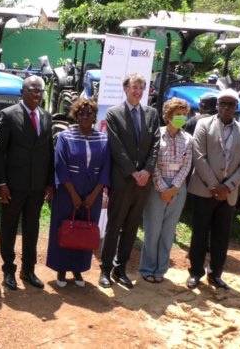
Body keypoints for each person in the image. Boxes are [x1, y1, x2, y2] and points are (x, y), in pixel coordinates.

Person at [186, 88, 240, 290]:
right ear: (217, 105)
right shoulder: (203, 125)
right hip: (204, 189)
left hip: (229, 194)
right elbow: (199, 156)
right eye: (222, 103)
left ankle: (215, 274)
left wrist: (228, 186)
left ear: (236, 108)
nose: (225, 107)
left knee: (221, 236)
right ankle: (196, 272)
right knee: (199, 233)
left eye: (230, 104)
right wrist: (215, 186)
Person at [100, 73, 161, 289]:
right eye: (134, 87)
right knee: (114, 226)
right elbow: (116, 146)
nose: (137, 91)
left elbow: (155, 144)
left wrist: (147, 170)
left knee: (132, 228)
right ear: (125, 88)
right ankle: (105, 269)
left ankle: (120, 269)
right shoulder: (113, 113)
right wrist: (133, 171)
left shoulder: (152, 114)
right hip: (122, 180)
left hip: (143, 183)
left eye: (141, 88)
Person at [0, 75, 54, 290]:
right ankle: (8, 269)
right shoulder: (8, 115)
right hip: (13, 184)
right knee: (9, 227)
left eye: (39, 90)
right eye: (31, 90)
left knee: (32, 228)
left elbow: (49, 151)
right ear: (22, 91)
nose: (36, 94)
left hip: (37, 186)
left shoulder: (46, 117)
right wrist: (1, 182)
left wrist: (49, 182)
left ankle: (28, 270)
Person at [45, 98, 110, 288]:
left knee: (85, 229)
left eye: (89, 113)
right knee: (65, 227)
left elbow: (106, 168)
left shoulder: (103, 138)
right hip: (67, 191)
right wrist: (73, 194)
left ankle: (79, 269)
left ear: (95, 116)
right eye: (81, 113)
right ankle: (61, 269)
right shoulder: (66, 137)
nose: (85, 117)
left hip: (93, 192)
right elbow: (60, 166)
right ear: (75, 115)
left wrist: (94, 195)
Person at [139, 98, 193, 283]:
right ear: (167, 116)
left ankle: (161, 270)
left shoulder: (188, 139)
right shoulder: (157, 136)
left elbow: (187, 166)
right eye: (178, 115)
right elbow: (152, 163)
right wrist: (163, 188)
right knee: (152, 230)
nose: (181, 118)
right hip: (156, 187)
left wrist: (174, 188)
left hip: (178, 189)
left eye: (184, 115)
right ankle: (147, 268)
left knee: (168, 231)